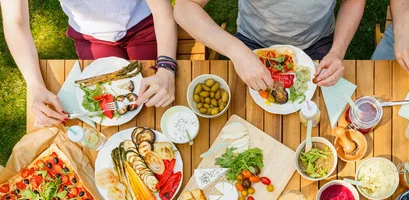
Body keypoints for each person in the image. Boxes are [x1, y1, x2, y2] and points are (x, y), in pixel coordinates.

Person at [0, 0, 178, 127]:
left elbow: (161, 8)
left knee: (158, 103)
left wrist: (166, 69)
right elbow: (16, 22)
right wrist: (36, 87)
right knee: (109, 118)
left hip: (144, 24)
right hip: (92, 36)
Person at [174, 0, 365, 90]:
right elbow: (185, 7)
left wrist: (337, 52)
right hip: (252, 43)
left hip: (319, 41)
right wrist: (237, 52)